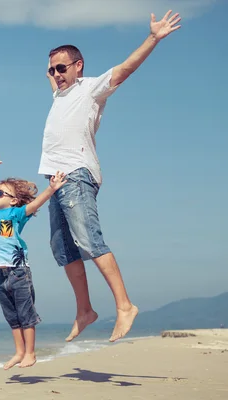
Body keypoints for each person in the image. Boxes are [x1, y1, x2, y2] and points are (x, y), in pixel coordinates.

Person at [39, 10, 182, 342]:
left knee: (89, 240)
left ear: (79, 66)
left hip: (77, 174)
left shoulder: (90, 89)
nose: (56, 74)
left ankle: (125, 305)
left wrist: (153, 38)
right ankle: (85, 310)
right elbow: (53, 77)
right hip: (57, 180)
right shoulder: (58, 95)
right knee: (62, 248)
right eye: (51, 70)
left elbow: (126, 68)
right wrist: (52, 71)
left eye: (62, 68)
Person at [0, 154, 66, 369]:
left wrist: (51, 189)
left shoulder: (15, 213)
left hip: (18, 272)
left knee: (26, 315)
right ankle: (19, 352)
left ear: (12, 200)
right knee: (12, 317)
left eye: (0, 193)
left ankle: (30, 352)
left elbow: (36, 203)